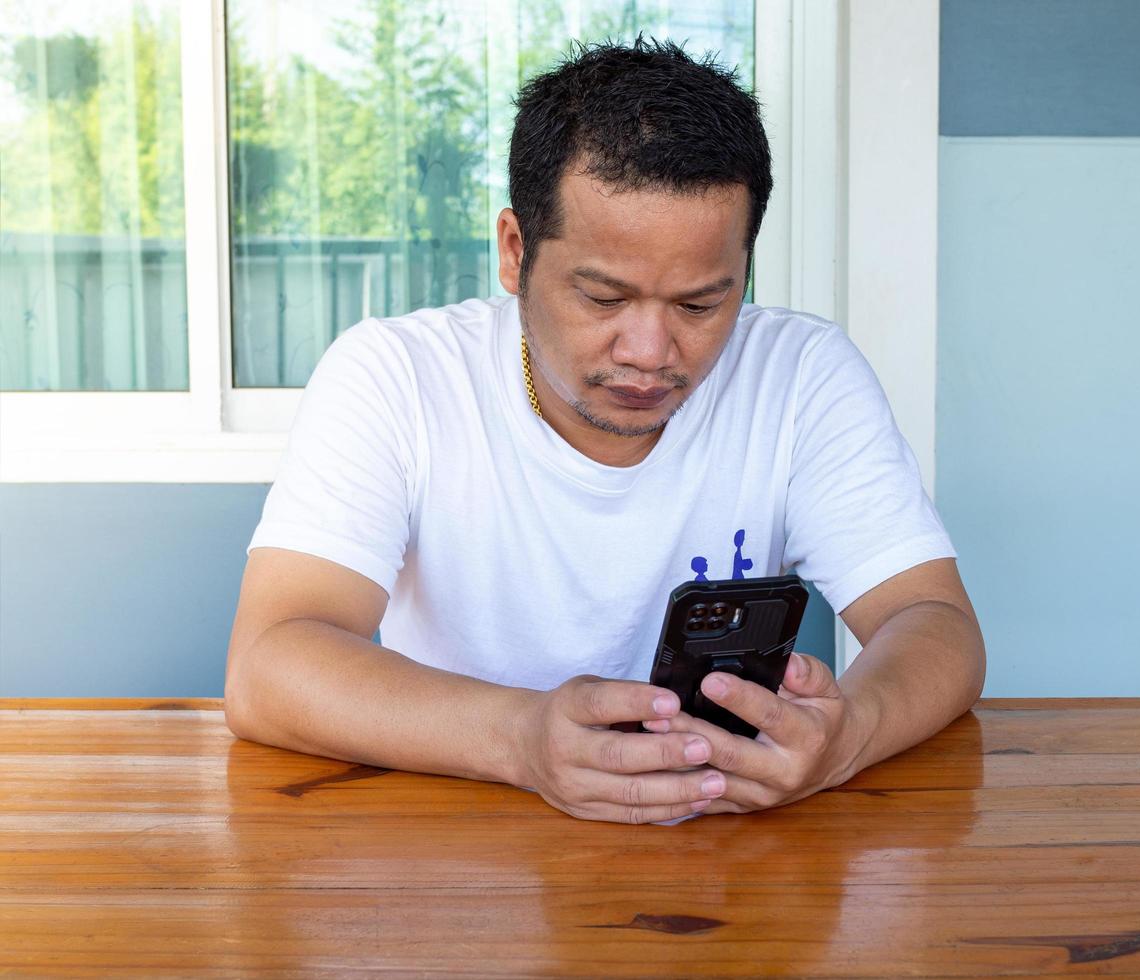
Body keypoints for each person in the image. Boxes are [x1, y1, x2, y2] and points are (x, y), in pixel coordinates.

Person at [224, 37, 985, 825]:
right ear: (515, 252)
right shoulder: (395, 375)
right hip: (458, 841)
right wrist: (523, 739)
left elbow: (937, 627)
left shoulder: (803, 374)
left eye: (698, 304)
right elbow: (268, 665)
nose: (650, 354)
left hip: (723, 856)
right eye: (603, 299)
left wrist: (846, 734)